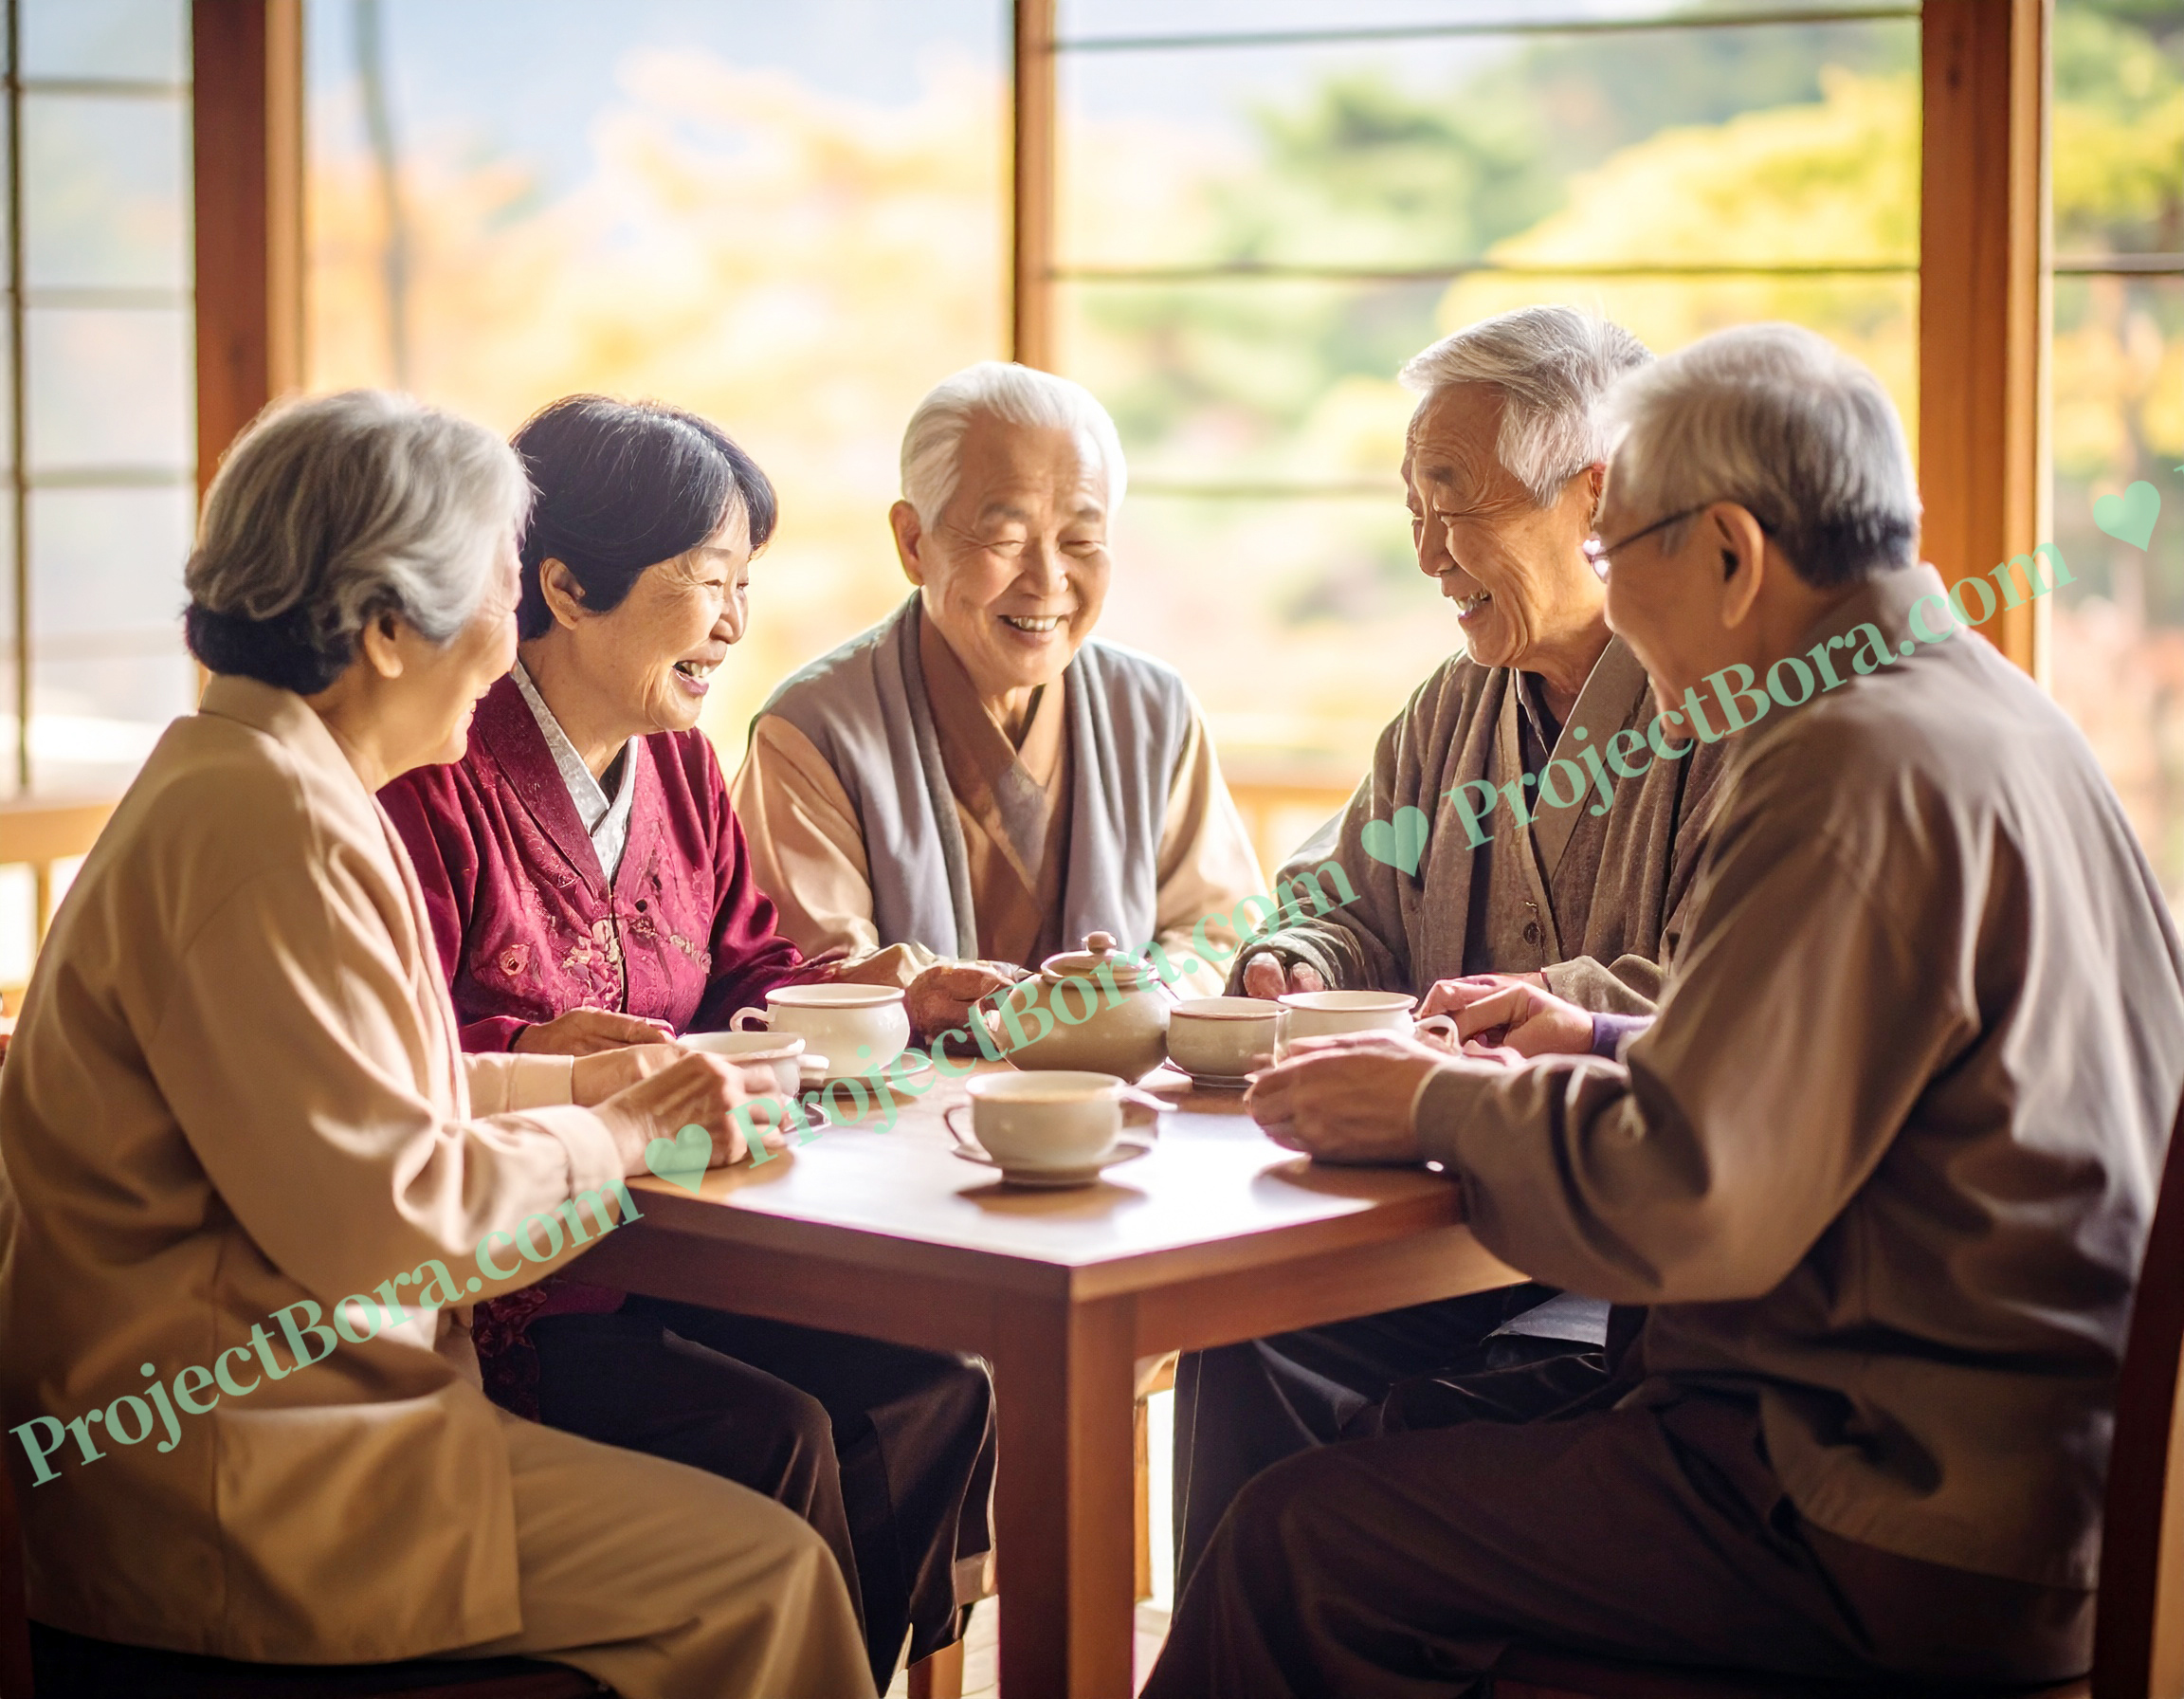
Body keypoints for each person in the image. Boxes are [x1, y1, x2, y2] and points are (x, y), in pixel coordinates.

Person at [1145, 324, 2184, 1697]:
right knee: (1339, 1440)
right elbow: (1813, 1071)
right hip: (2021, 1470)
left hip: (1884, 1505)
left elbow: (1694, 1195)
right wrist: (1599, 1039)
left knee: (1302, 1538)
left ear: (1733, 553)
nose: (1613, 597)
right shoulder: (1981, 710)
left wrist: (1441, 1098)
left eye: (1622, 551)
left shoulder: (1837, 764)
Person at [0, 392, 875, 1699]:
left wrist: (582, 1078)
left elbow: (343, 1102)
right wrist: (621, 1128)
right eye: (499, 591)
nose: (506, 635)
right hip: (240, 1466)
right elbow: (385, 1211)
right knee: (769, 1573)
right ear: (385, 623)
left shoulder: (255, 779)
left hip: (280, 1422)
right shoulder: (271, 827)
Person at [380, 394, 995, 1691]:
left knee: (934, 1390)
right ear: (562, 584)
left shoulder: (678, 769)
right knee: (769, 1433)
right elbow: (389, 1044)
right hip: (523, 1287)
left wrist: (883, 991)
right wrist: (545, 1043)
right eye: (706, 581)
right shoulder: (429, 772)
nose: (733, 622)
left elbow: (749, 971)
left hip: (702, 1254)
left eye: (746, 584)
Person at [1171, 305, 1727, 1588]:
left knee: (1381, 1450)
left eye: (1453, 497)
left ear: (1595, 493)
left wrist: (1529, 1007)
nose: (1426, 550)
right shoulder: (1454, 705)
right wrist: (1295, 962)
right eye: (1411, 502)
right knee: (1243, 1341)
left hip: (1625, 1260)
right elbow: (1343, 893)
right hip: (1443, 1225)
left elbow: (1723, 995)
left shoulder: (1727, 700)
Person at [731, 360, 1263, 996]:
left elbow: (1221, 932)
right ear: (913, 543)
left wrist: (1140, 996)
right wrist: (946, 1001)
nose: (1046, 580)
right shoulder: (813, 731)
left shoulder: (1154, 711)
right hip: (898, 1094)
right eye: (1007, 539)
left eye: (1079, 540)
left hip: (1119, 1089)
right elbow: (819, 984)